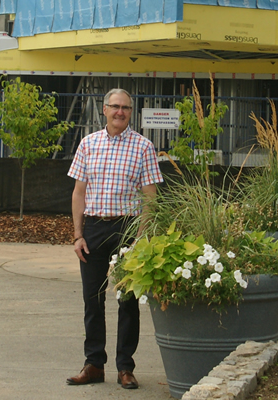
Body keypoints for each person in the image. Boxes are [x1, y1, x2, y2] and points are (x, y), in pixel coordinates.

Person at [66, 88, 163, 389]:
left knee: (128, 300)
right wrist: (78, 235)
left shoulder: (144, 146)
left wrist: (141, 239)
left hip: (128, 229)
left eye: (126, 108)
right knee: (92, 300)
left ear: (131, 112)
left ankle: (125, 367)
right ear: (105, 109)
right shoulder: (88, 144)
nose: (120, 112)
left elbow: (151, 199)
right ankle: (94, 364)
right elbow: (79, 192)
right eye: (115, 106)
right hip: (94, 229)